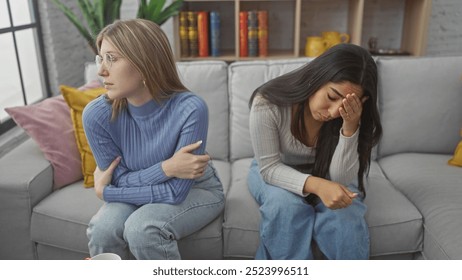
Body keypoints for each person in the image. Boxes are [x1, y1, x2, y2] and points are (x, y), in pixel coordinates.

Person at [82, 19, 224, 260]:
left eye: (112, 59)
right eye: (101, 58)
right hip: (144, 187)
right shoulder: (96, 114)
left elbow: (176, 192)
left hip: (196, 190)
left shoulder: (190, 108)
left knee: (142, 229)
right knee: (103, 230)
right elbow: (117, 177)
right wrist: (167, 167)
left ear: (145, 62)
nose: (101, 71)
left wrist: (107, 193)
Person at [247, 43, 382, 260]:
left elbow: (341, 178)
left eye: (345, 104)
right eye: (331, 97)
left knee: (345, 217)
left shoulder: (347, 117)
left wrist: (349, 126)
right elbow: (270, 168)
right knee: (285, 208)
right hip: (276, 169)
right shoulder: (267, 103)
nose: (334, 112)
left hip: (326, 171)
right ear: (317, 77)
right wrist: (318, 185)